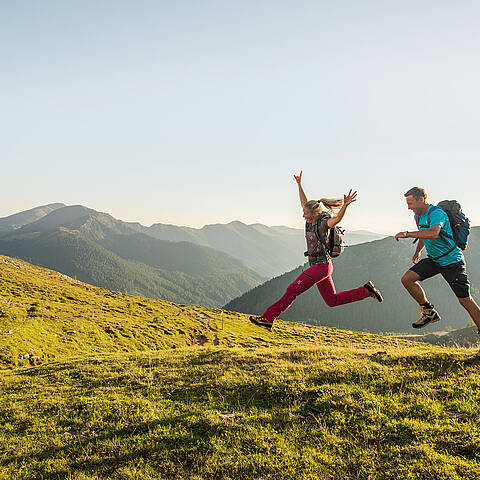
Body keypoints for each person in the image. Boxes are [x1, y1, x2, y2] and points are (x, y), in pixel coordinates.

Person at [249, 171, 383, 331]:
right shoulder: (309, 221)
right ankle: (366, 291)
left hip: (320, 267)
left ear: (314, 213)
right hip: (322, 266)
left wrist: (345, 206)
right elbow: (304, 202)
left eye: (305, 213)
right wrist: (299, 184)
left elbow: (337, 220)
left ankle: (268, 318)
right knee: (332, 300)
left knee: (292, 290)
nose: (302, 215)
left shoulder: (323, 223)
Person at [396, 187, 480, 334]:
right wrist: (418, 251)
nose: (408, 207)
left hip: (452, 262)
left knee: (465, 300)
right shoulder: (418, 216)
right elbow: (424, 233)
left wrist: (407, 234)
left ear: (421, 199)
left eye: (410, 203)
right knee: (407, 279)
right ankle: (429, 312)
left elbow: (434, 232)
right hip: (435, 260)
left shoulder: (436, 213)